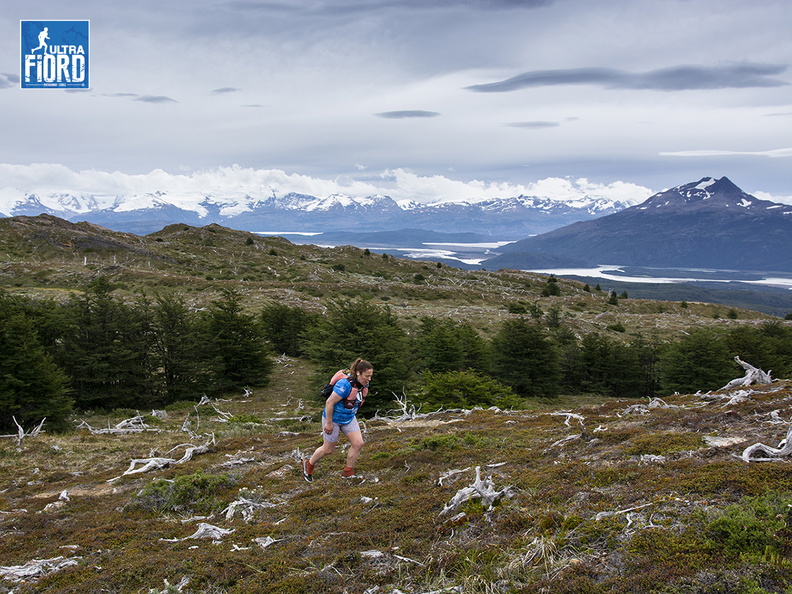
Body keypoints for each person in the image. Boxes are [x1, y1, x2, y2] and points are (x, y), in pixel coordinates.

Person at [303, 359, 373, 482]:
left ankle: (348, 472)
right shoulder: (344, 385)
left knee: (358, 443)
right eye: (367, 376)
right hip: (333, 419)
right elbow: (329, 403)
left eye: (370, 376)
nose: (369, 379)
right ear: (358, 373)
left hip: (349, 418)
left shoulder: (363, 384)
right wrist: (329, 423)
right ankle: (309, 464)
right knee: (328, 449)